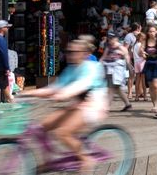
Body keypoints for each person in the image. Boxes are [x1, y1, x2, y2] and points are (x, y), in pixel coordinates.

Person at [24, 38, 108, 173]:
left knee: (62, 133)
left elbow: (82, 84)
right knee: (41, 127)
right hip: (77, 106)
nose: (69, 55)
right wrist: (27, 94)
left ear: (85, 53)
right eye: (68, 52)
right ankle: (49, 161)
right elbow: (54, 87)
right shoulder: (70, 69)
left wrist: (64, 94)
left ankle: (86, 159)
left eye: (74, 52)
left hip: (94, 107)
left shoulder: (92, 67)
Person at [99, 33, 132, 112]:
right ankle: (127, 104)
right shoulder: (108, 47)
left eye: (111, 38)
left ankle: (106, 107)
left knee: (111, 88)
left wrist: (129, 68)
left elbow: (127, 57)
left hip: (117, 71)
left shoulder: (121, 47)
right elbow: (103, 57)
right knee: (116, 88)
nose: (110, 40)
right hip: (109, 69)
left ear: (116, 38)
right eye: (109, 38)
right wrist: (99, 64)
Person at [142, 29, 157, 118]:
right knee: (151, 86)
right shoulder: (145, 41)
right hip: (148, 64)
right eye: (150, 31)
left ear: (156, 31)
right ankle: (154, 105)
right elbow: (142, 54)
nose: (151, 33)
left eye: (153, 31)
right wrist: (143, 54)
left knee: (156, 86)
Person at [122, 23, 142, 100]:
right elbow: (125, 48)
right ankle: (130, 92)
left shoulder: (140, 35)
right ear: (137, 28)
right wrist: (127, 58)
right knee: (132, 75)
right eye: (140, 27)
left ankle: (140, 92)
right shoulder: (129, 36)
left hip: (139, 58)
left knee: (139, 76)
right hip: (131, 58)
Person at [132, 31, 147, 101]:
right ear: (141, 38)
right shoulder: (141, 45)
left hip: (136, 62)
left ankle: (136, 96)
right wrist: (146, 57)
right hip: (141, 62)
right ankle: (145, 96)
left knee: (137, 80)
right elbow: (141, 53)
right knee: (143, 79)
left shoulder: (135, 45)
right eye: (144, 38)